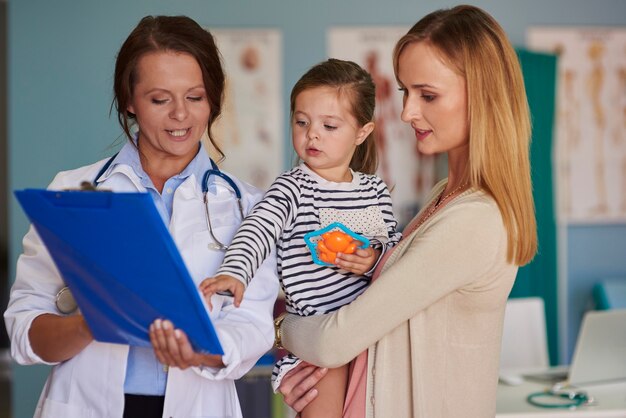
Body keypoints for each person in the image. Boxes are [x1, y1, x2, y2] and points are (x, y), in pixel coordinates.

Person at [4, 15, 278, 418]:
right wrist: (88, 323)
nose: (181, 115)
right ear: (130, 100)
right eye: (160, 99)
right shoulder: (71, 192)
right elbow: (24, 327)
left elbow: (255, 324)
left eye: (196, 97)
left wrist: (203, 350)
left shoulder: (248, 206)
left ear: (213, 98)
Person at [275, 5, 538, 417]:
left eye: (427, 95)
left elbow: (334, 342)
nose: (407, 112)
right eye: (405, 92)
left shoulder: (474, 220)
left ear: (482, 96)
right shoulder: (442, 196)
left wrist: (281, 327)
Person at [199, 58, 401, 418]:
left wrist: (373, 256)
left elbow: (393, 247)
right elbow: (258, 228)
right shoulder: (293, 187)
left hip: (371, 333)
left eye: (329, 125)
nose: (312, 134)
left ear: (362, 132)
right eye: (302, 122)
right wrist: (234, 272)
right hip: (319, 341)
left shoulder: (374, 190)